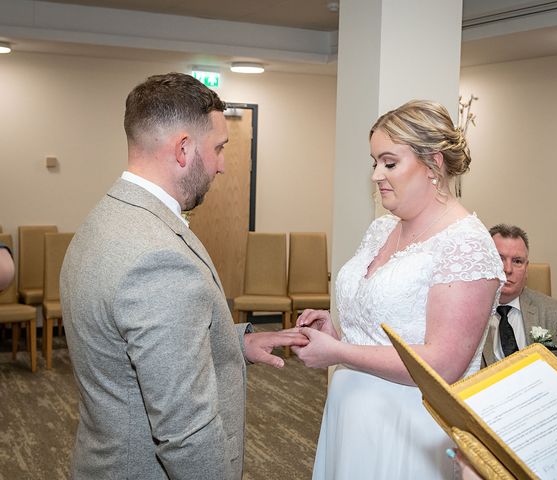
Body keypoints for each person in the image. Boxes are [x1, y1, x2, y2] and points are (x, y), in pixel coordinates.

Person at [60, 72, 307, 480]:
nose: (222, 166)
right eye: (219, 148)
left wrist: (235, 341)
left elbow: (136, 345)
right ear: (183, 149)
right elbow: (185, 431)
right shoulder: (156, 258)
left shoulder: (106, 217)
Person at [293, 100, 505, 479]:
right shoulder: (381, 228)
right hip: (351, 413)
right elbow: (380, 332)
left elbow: (442, 365)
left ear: (433, 164)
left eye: (389, 163)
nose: (376, 174)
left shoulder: (465, 244)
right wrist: (339, 334)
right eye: (374, 162)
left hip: (409, 425)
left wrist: (339, 352)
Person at [482, 224, 557, 367]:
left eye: (517, 261)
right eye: (500, 259)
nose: (507, 269)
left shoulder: (548, 309)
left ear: (526, 268)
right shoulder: (466, 309)